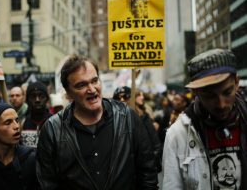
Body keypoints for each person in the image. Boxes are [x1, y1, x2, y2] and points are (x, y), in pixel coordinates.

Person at [37, 55, 158, 190]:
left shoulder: (127, 117)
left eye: (94, 81)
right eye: (81, 85)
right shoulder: (52, 130)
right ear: (68, 93)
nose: (92, 89)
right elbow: (47, 183)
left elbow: (148, 173)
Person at [162, 48, 247, 189]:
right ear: (195, 92)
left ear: (236, 82)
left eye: (227, 92)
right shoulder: (178, 134)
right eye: (210, 96)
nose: (221, 104)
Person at [113, 87, 162, 173]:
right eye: (118, 98)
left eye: (125, 97)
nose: (121, 100)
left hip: (142, 169)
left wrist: (147, 164)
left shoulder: (142, 117)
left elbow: (155, 145)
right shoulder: (114, 120)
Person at [20, 81, 52, 147]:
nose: (37, 100)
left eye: (41, 96)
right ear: (27, 100)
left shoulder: (54, 122)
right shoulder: (22, 123)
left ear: (47, 99)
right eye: (33, 96)